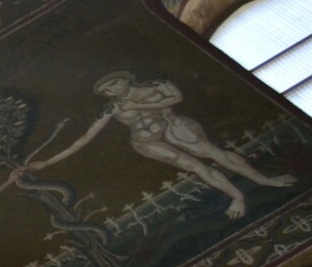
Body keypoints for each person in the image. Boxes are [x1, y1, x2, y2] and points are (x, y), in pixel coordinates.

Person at [31, 73, 294, 219]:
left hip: (172, 126)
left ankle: (263, 180)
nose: (112, 90)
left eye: (114, 83)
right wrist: (47, 163)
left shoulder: (153, 86)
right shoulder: (112, 108)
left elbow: (176, 97)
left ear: (126, 79)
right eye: (107, 90)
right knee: (195, 166)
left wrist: (138, 106)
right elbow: (85, 138)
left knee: (214, 152)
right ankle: (237, 196)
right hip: (145, 142)